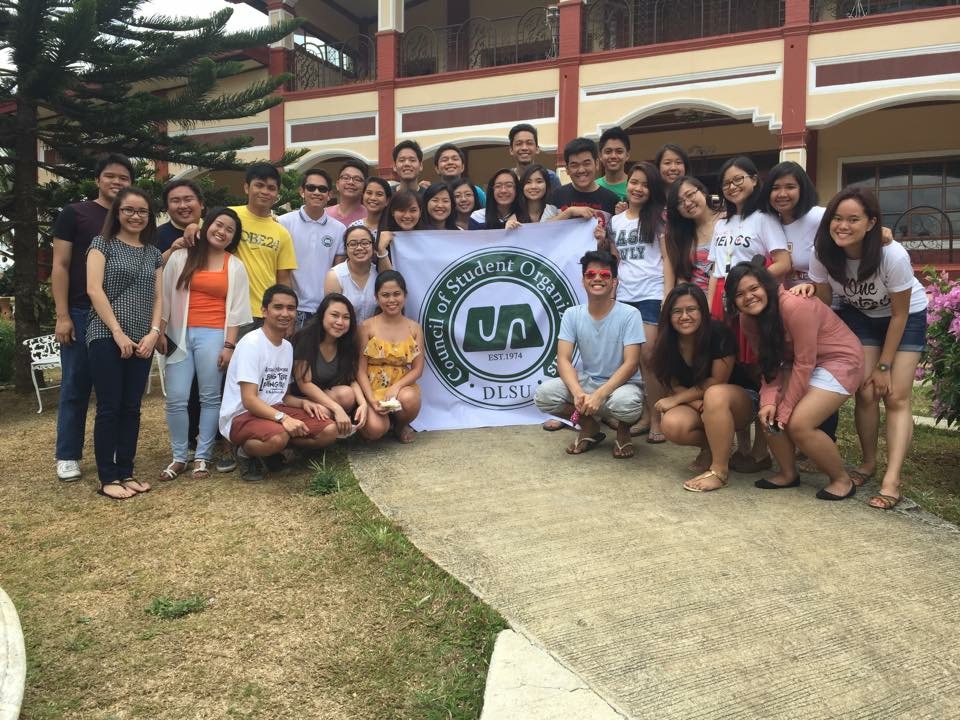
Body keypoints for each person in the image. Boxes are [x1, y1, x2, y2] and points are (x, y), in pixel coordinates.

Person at [803, 187, 928, 510]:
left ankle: (892, 479)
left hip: (906, 317)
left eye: (853, 219)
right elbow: (826, 301)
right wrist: (809, 290)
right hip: (862, 316)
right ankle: (868, 462)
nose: (843, 226)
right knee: (866, 391)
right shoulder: (822, 252)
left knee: (896, 395)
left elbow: (900, 314)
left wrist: (885, 365)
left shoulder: (892, 255)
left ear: (872, 223)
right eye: (837, 218)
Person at [727, 258, 865, 500]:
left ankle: (841, 480)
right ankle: (787, 473)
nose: (748, 297)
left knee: (799, 423)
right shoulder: (747, 320)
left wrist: (786, 409)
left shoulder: (794, 306)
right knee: (768, 413)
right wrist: (769, 401)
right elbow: (769, 364)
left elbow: (805, 362)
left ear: (766, 285)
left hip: (839, 360)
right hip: (797, 363)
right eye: (739, 294)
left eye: (754, 288)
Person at [51, 152, 134, 482]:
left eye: (124, 178)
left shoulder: (132, 217)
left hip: (124, 315)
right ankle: (68, 454)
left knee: (116, 391)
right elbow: (60, 266)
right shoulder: (75, 213)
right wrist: (62, 315)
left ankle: (112, 450)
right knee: (76, 384)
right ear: (97, 179)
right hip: (82, 311)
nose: (117, 182)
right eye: (110, 176)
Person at [159, 207, 252, 481]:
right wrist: (159, 332)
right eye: (218, 225)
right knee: (176, 396)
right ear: (206, 225)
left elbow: (236, 310)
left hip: (214, 334)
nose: (222, 232)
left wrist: (229, 346)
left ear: (233, 238)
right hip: (178, 333)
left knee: (210, 396)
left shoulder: (234, 265)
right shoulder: (181, 257)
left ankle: (203, 456)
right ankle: (179, 456)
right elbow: (164, 296)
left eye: (229, 230)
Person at [85, 186, 163, 499]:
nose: (135, 216)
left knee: (132, 408)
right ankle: (108, 477)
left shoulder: (153, 253)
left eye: (142, 211)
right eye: (128, 210)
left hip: (143, 339)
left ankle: (126, 472)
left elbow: (158, 298)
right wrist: (117, 332)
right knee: (109, 407)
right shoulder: (101, 244)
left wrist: (153, 333)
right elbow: (94, 290)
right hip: (106, 335)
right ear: (117, 213)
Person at [218, 284, 337, 482]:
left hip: (275, 410)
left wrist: (304, 403)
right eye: (278, 307)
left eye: (291, 308)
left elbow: (282, 395)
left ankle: (273, 451)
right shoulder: (251, 344)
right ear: (264, 311)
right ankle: (245, 452)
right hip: (242, 415)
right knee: (279, 436)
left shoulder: (287, 347)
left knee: (329, 430)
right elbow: (249, 400)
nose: (285, 313)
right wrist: (284, 418)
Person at [534, 250, 645, 458]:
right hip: (588, 382)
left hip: (622, 386)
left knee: (626, 405)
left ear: (614, 282)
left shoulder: (630, 314)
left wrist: (600, 395)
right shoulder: (572, 314)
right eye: (591, 274)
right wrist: (578, 393)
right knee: (544, 396)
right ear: (583, 281)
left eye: (605, 275)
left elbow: (631, 364)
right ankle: (589, 426)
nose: (597, 278)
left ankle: (623, 431)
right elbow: (563, 359)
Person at [651, 283, 758, 492]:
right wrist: (696, 404)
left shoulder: (718, 333)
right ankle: (715, 447)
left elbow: (717, 381)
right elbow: (672, 384)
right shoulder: (666, 341)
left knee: (715, 395)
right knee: (672, 424)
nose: (684, 316)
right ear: (668, 315)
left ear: (702, 310)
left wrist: (677, 400)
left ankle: (719, 471)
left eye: (691, 309)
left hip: (741, 401)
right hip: (700, 403)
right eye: (677, 311)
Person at [608, 162, 673, 442]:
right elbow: (616, 259)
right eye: (634, 182)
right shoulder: (615, 221)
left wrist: (667, 294)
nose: (638, 188)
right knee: (631, 360)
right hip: (624, 297)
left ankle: (658, 418)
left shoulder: (659, 218)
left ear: (652, 189)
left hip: (651, 294)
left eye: (645, 185)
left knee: (649, 357)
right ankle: (645, 415)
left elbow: (668, 258)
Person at [707, 156, 791, 317]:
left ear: (753, 180)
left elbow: (783, 263)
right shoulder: (720, 224)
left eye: (738, 179)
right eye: (726, 183)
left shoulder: (764, 218)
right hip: (721, 294)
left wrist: (750, 284)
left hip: (749, 295)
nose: (732, 187)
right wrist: (710, 307)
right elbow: (715, 270)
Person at [357, 270, 425, 444]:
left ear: (405, 295)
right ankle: (380, 422)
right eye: (385, 295)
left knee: (410, 399)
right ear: (376, 297)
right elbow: (360, 370)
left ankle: (400, 426)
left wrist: (396, 387)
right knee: (375, 430)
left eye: (396, 294)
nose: (391, 300)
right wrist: (371, 400)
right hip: (372, 388)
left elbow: (418, 369)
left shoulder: (414, 328)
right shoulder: (366, 327)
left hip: (401, 388)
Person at [292, 293, 368, 439]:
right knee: (324, 411)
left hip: (327, 395)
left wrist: (363, 404)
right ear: (322, 315)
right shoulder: (305, 338)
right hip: (301, 399)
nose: (340, 322)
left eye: (346, 317)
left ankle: (333, 426)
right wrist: (337, 408)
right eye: (334, 315)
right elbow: (304, 384)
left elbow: (351, 379)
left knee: (347, 394)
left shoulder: (347, 342)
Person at [278, 169, 347, 328]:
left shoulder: (339, 229)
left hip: (324, 309)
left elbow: (338, 271)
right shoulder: (283, 223)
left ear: (329, 195)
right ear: (302, 191)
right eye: (311, 188)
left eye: (322, 189)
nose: (316, 192)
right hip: (292, 309)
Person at [760, 161, 824, 289]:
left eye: (790, 187)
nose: (782, 194)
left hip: (824, 297)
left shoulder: (820, 216)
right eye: (775, 188)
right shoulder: (770, 223)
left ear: (802, 189)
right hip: (787, 297)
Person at [665, 176, 721, 291]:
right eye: (679, 202)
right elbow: (682, 278)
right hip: (696, 298)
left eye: (690, 195)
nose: (687, 203)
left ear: (703, 192)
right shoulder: (682, 234)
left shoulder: (726, 220)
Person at [543, 138, 619, 223]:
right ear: (567, 169)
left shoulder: (611, 199)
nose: (581, 170)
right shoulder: (556, 196)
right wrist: (569, 212)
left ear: (597, 164)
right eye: (574, 165)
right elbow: (542, 227)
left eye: (586, 164)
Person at [324, 225, 379, 322]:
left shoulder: (379, 273)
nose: (359, 248)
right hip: (343, 330)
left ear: (373, 246)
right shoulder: (335, 276)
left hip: (374, 330)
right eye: (353, 244)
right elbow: (332, 316)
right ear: (346, 248)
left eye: (365, 243)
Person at [156, 178, 204, 263]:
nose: (182, 206)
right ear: (167, 208)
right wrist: (172, 251)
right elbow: (146, 269)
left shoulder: (215, 230)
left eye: (188, 200)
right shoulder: (155, 236)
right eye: (175, 201)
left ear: (201, 204)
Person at [375, 190, 424, 271]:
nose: (407, 215)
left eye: (413, 210)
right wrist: (382, 250)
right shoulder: (384, 238)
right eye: (401, 210)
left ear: (420, 212)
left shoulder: (430, 239)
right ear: (392, 212)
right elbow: (385, 276)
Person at [508, 123, 560, 188]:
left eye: (529, 143)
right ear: (511, 150)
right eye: (519, 144)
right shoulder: (506, 179)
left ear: (537, 149)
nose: (524, 148)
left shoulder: (551, 178)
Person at [327, 160, 369, 227]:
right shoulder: (324, 215)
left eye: (357, 179)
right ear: (337, 185)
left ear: (365, 187)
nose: (350, 182)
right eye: (346, 178)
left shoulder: (370, 217)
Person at [596, 127, 631, 202]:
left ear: (627, 156)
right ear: (600, 156)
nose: (613, 156)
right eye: (608, 152)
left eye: (619, 151)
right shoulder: (593, 187)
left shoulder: (634, 187)